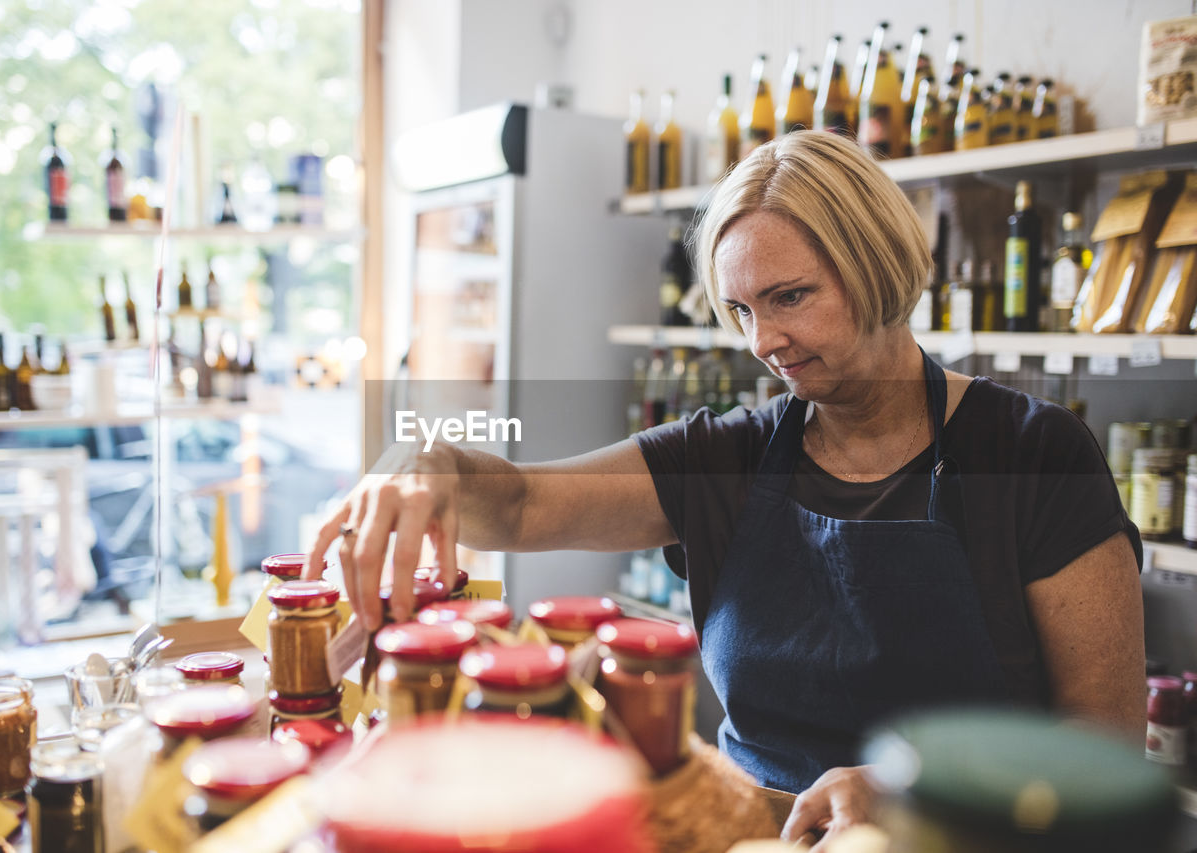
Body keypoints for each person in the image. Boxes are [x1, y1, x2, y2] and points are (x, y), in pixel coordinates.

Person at [306, 130, 1144, 849]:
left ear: (878, 263)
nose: (766, 341)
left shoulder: (1034, 454)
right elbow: (523, 502)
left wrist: (909, 792)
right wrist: (435, 465)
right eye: (741, 310)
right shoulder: (727, 459)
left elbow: (1104, 750)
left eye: (791, 297)